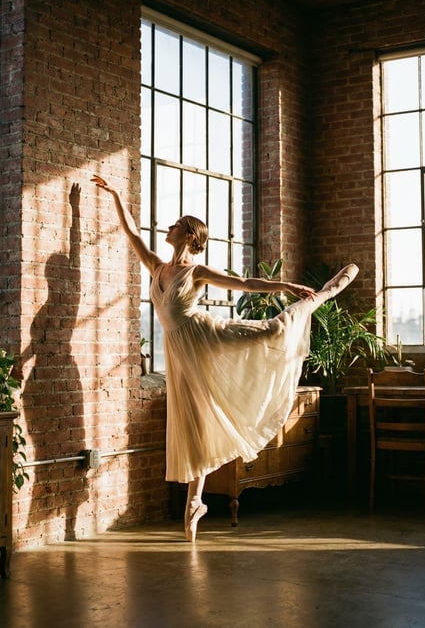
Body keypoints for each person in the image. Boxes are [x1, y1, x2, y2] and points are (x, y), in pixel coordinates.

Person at [91, 174, 359, 542]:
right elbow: (132, 234)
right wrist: (116, 195)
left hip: (205, 337)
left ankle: (319, 297)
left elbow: (245, 285)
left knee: (273, 330)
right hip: (179, 354)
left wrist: (286, 286)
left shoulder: (195, 272)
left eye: (176, 224)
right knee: (194, 424)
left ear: (188, 236)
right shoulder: (157, 267)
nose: (168, 227)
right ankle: (195, 502)